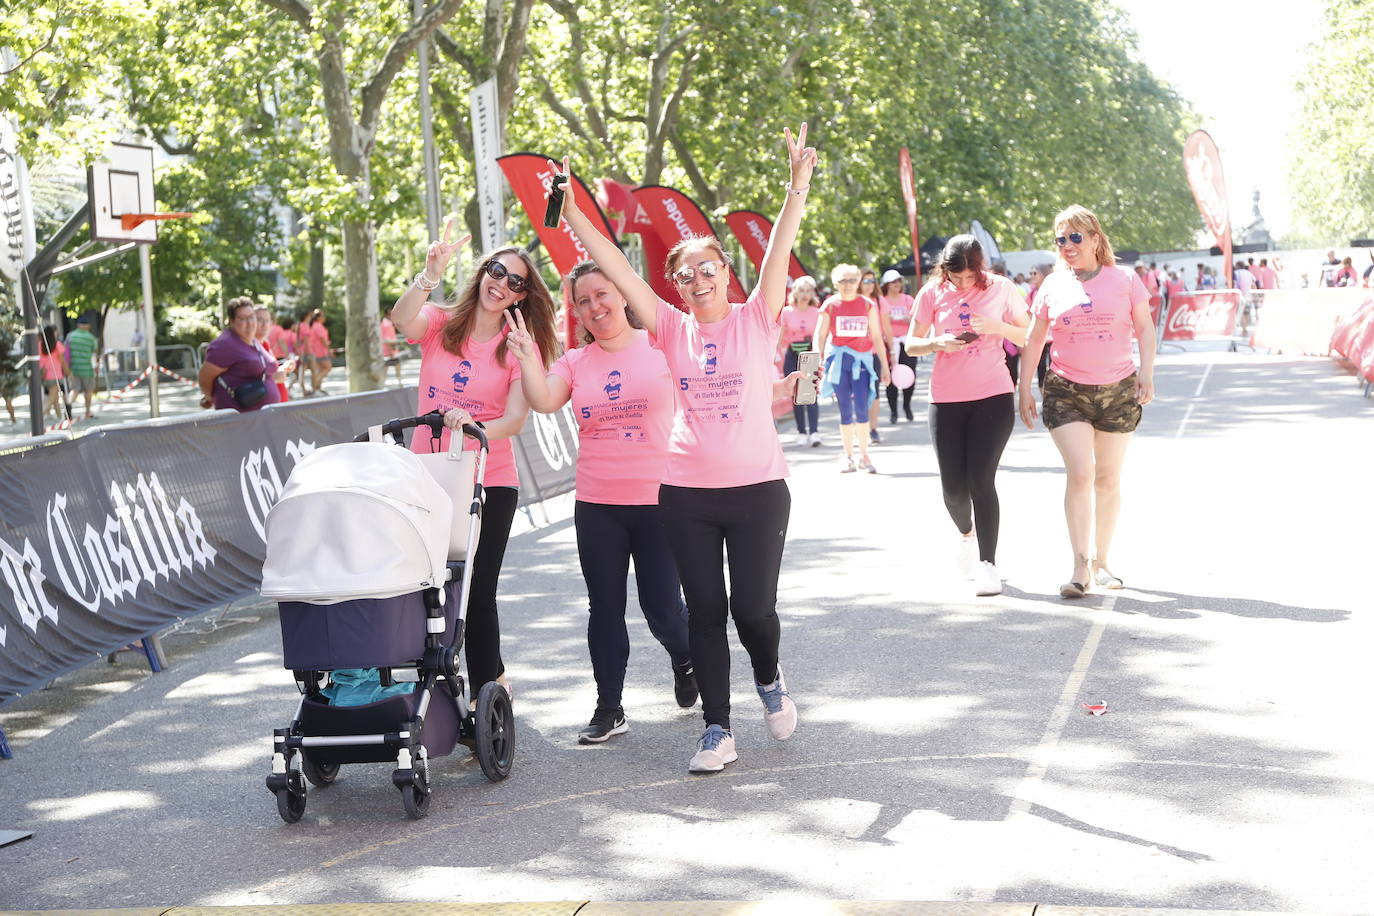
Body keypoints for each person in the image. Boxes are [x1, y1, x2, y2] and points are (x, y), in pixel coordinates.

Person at [554, 122, 815, 774]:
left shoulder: (757, 317)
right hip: (686, 495)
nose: (697, 278)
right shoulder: (667, 328)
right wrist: (573, 218)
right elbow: (613, 264)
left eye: (707, 268)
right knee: (705, 613)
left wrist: (795, 189)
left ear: (726, 273)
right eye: (684, 272)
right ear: (673, 287)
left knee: (753, 610)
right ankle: (717, 730)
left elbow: (780, 249)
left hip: (758, 490)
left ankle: (769, 674)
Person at [506, 260, 697, 744]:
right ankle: (609, 707)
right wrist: (528, 357)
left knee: (664, 612)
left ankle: (686, 656)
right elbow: (545, 400)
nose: (595, 307)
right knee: (604, 607)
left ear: (623, 293)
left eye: (602, 295)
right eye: (584, 302)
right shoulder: (575, 362)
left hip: (659, 502)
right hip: (597, 504)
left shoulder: (662, 346)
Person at [389, 220, 558, 707]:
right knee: (422, 585)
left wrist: (473, 427)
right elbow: (403, 319)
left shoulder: (518, 348)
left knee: (476, 591)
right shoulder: (441, 324)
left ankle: (490, 690)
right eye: (496, 270)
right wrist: (429, 273)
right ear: (483, 272)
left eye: (515, 282)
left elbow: (513, 420)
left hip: (488, 480)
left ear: (521, 297)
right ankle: (425, 689)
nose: (501, 283)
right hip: (425, 475)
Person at [1017, 205, 1155, 598]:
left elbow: (1144, 328)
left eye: (1076, 237)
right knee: (1080, 472)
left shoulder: (1125, 279)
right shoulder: (1051, 286)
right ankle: (1079, 568)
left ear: (1096, 238)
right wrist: (1023, 386)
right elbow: (1033, 339)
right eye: (1061, 239)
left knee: (1108, 479)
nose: (1068, 245)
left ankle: (1103, 561)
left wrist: (1147, 372)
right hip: (1066, 391)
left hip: (1118, 390)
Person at [904, 236, 1028, 596]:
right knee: (953, 489)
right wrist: (936, 343)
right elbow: (911, 343)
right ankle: (965, 534)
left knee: (980, 480)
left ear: (981, 267)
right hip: (946, 398)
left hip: (993, 394)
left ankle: (988, 564)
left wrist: (997, 327)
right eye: (955, 277)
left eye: (969, 277)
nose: (962, 283)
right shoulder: (931, 292)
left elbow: (1030, 333)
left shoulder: (1002, 288)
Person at [815, 263, 890, 473]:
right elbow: (820, 335)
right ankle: (848, 456)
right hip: (839, 363)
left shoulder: (867, 305)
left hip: (863, 363)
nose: (847, 285)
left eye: (851, 280)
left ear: (858, 281)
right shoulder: (829, 305)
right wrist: (816, 359)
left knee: (862, 409)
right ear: (835, 283)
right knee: (845, 410)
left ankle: (864, 455)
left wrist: (885, 366)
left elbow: (876, 336)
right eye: (842, 281)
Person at [199, 297, 282, 413]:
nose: (250, 322)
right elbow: (204, 379)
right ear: (231, 321)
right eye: (243, 318)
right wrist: (211, 398)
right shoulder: (224, 344)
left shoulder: (253, 340)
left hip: (263, 418)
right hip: (240, 419)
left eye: (252, 317)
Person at [779, 275, 823, 446]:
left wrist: (821, 355)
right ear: (795, 292)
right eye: (801, 290)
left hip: (810, 356)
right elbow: (780, 336)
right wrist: (775, 354)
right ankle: (801, 432)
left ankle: (814, 432)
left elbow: (820, 336)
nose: (805, 294)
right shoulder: (787, 312)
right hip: (792, 356)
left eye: (808, 291)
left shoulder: (817, 312)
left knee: (810, 394)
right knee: (796, 395)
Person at [879, 268, 918, 422]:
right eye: (893, 281)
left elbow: (916, 318)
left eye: (898, 281)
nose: (897, 284)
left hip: (906, 343)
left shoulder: (908, 299)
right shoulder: (882, 300)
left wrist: (909, 320)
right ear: (887, 284)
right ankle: (893, 411)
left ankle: (907, 405)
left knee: (909, 374)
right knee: (891, 377)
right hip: (889, 344)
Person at [858, 268, 887, 443]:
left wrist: (889, 353)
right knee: (858, 392)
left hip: (874, 353)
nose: (869, 285)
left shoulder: (878, 301)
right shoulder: (852, 300)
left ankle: (873, 428)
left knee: (874, 391)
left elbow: (884, 329)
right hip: (855, 353)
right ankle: (860, 426)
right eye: (865, 281)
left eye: (872, 281)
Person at [253, 306, 293, 402]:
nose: (264, 324)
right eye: (260, 320)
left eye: (267, 320)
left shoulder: (265, 344)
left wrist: (284, 367)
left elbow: (272, 372)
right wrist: (273, 378)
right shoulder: (249, 346)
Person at [65, 315, 99, 420]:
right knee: (88, 391)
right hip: (87, 369)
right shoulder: (91, 338)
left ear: (78, 325)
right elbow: (95, 352)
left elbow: (65, 351)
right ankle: (87, 412)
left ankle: (68, 405)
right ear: (88, 326)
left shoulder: (70, 336)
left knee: (74, 389)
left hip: (73, 369)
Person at [38, 326, 68, 421]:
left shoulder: (39, 345)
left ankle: (59, 416)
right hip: (56, 375)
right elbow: (62, 360)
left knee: (55, 398)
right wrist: (67, 371)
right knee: (52, 398)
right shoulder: (57, 344)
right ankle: (41, 415)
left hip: (46, 375)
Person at [301, 308, 333, 395]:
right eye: (323, 315)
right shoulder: (318, 326)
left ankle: (317, 387)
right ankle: (315, 384)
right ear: (318, 317)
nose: (324, 317)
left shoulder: (313, 326)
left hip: (315, 352)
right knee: (327, 367)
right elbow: (322, 340)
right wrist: (329, 350)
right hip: (320, 352)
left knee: (320, 369)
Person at [380, 315, 404, 384]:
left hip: (385, 351)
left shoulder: (382, 324)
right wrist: (391, 350)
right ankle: (400, 383)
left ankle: (382, 384)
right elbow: (387, 339)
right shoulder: (388, 325)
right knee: (397, 365)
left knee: (386, 368)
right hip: (390, 351)